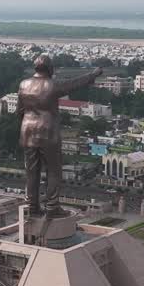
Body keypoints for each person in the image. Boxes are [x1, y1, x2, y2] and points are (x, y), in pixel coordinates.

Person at [16, 55, 103, 215]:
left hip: (27, 131)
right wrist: (93, 74)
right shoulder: (52, 84)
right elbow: (74, 84)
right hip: (47, 132)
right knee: (53, 170)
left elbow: (19, 111)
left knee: (31, 171)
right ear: (50, 68)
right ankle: (52, 206)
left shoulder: (24, 84)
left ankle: (32, 206)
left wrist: (26, 125)